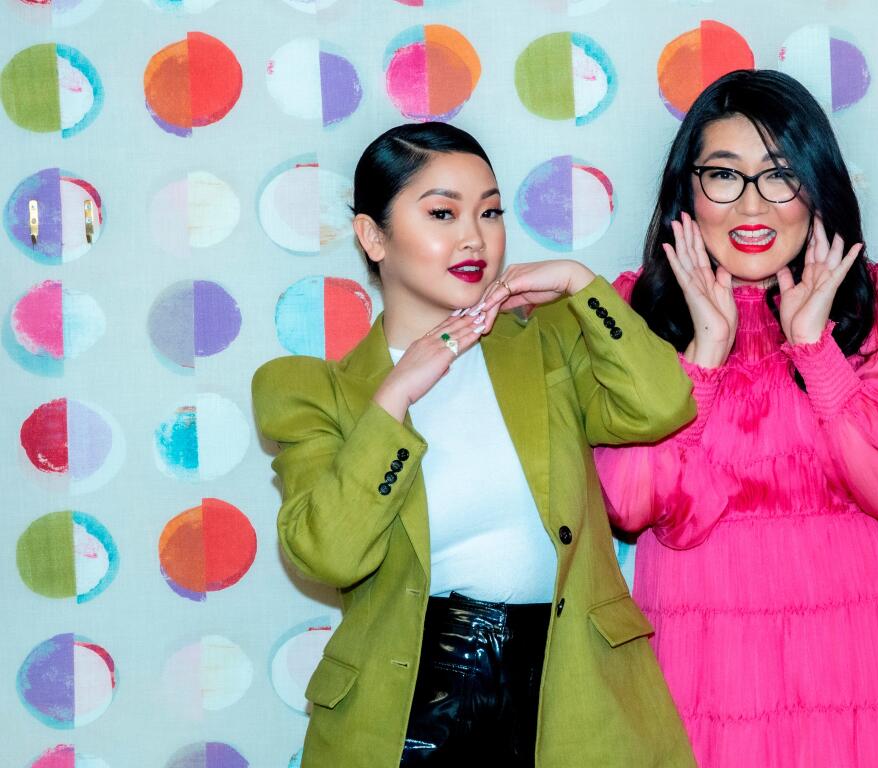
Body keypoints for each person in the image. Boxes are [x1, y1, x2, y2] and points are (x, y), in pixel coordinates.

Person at [252, 122, 698, 768]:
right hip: (412, 703)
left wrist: (581, 283)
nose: (474, 237)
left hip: (569, 689)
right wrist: (394, 398)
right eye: (442, 212)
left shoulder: (546, 340)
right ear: (373, 237)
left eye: (490, 212)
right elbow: (328, 554)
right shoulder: (314, 392)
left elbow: (662, 405)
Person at [594, 69, 878, 767]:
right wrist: (702, 358)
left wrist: (814, 350)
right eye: (724, 176)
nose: (751, 205)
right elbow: (631, 501)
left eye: (779, 175)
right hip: (708, 670)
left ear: (817, 188)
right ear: (688, 192)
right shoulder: (635, 313)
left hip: (865, 666)